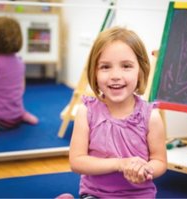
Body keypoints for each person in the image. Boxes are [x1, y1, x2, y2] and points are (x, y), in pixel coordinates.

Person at [69, 26, 167, 198]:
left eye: (126, 66)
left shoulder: (151, 116)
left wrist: (145, 169)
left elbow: (159, 161)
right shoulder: (86, 112)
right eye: (106, 67)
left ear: (140, 70)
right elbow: (76, 162)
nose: (115, 75)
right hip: (95, 195)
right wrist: (120, 164)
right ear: (95, 72)